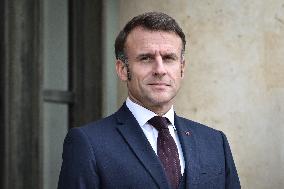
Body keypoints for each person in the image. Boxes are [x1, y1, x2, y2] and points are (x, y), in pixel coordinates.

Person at [58, 12, 241, 189]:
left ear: (182, 69)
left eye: (169, 58)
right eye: (146, 58)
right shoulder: (88, 144)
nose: (160, 70)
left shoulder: (215, 142)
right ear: (122, 69)